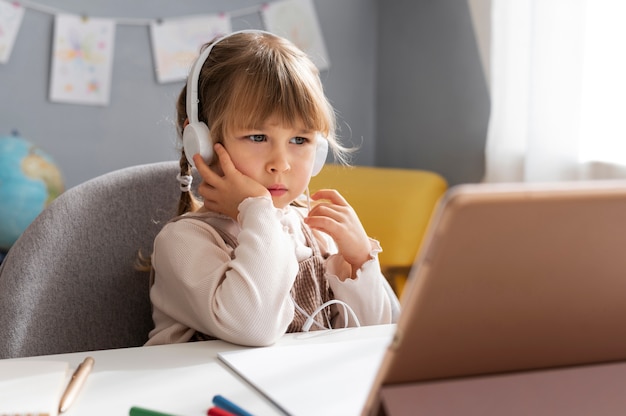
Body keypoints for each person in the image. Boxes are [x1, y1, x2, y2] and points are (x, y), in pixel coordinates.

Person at [144, 30, 400, 347]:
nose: (281, 163)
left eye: (299, 140)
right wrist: (256, 209)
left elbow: (371, 342)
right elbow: (255, 326)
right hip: (210, 395)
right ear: (203, 143)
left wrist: (359, 262)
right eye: (257, 137)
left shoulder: (315, 235)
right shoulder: (183, 243)